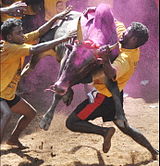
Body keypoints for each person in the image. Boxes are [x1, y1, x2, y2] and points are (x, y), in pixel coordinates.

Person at [65, 8, 159, 160]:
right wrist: (95, 10)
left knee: (72, 122)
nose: (123, 33)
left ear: (133, 40)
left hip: (103, 96)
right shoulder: (124, 38)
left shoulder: (127, 58)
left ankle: (104, 132)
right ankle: (154, 151)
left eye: (127, 33)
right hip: (115, 93)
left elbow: (112, 73)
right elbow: (111, 19)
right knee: (124, 127)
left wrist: (105, 57)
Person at [0, 5, 75, 148]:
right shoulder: (11, 47)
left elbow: (39, 32)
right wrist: (62, 39)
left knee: (30, 114)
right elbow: (35, 49)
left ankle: (13, 139)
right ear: (10, 37)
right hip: (0, 94)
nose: (23, 35)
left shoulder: (18, 41)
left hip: (7, 94)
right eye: (19, 33)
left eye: (22, 32)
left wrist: (55, 18)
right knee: (7, 114)